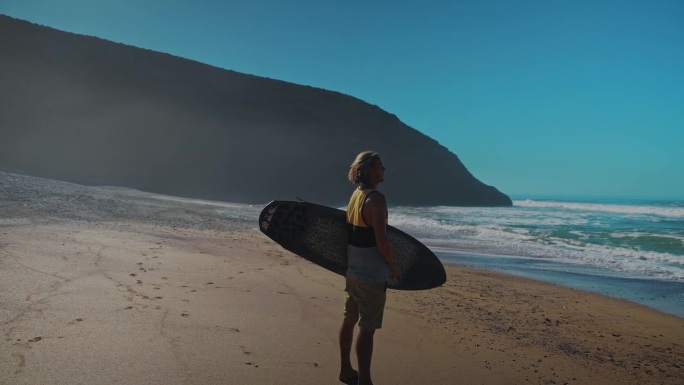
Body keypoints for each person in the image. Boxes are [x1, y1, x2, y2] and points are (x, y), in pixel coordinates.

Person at [339, 151, 398, 385]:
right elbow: (381, 239)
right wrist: (391, 264)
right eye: (380, 166)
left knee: (349, 320)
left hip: (353, 270)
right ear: (370, 170)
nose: (384, 169)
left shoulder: (356, 195)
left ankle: (345, 370)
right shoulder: (377, 199)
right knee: (367, 329)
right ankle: (365, 381)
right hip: (371, 275)